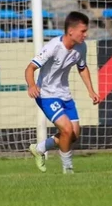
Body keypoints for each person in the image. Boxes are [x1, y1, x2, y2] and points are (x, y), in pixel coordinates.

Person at [25, 12, 99, 174]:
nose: (85, 35)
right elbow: (30, 68)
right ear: (71, 31)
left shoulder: (81, 47)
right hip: (46, 95)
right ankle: (68, 169)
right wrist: (31, 85)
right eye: (83, 31)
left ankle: (39, 149)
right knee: (66, 130)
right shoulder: (53, 47)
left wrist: (91, 90)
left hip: (65, 94)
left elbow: (82, 67)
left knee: (73, 135)